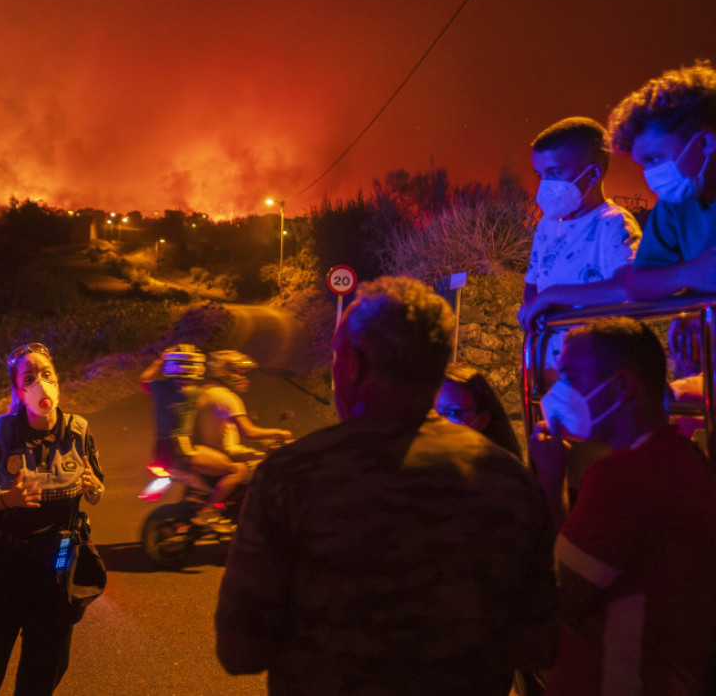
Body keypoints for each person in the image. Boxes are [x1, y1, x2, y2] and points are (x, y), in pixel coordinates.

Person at [216, 276, 558, 694]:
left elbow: (240, 651)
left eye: (337, 355)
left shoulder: (292, 476)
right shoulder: (506, 480)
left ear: (353, 366)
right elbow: (539, 644)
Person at [530, 317, 716, 694]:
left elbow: (557, 597)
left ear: (622, 387)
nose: (558, 394)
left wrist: (550, 480)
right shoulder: (680, 457)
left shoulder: (623, 478)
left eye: (571, 379)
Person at [0, 341, 104, 696]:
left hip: (58, 568)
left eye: (46, 374)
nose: (40, 384)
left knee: (42, 673)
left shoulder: (79, 431)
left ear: (58, 380)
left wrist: (94, 487)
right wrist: (7, 500)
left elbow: (96, 493)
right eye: (30, 378)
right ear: (18, 391)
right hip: (2, 568)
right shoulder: (0, 432)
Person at [518, 117, 641, 370]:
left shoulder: (613, 223)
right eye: (541, 175)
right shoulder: (546, 225)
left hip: (598, 367)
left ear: (593, 174)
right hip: (548, 365)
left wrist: (551, 297)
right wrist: (534, 307)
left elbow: (629, 287)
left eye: (555, 173)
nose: (545, 184)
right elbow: (532, 285)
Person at [605, 61, 716, 299]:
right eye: (643, 165)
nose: (649, 175)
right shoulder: (676, 204)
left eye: (655, 159)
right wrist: (689, 275)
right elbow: (637, 283)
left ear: (704, 143)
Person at [140, 345, 247, 530]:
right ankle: (208, 512)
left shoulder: (160, 388)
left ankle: (200, 505)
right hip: (183, 449)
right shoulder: (193, 392)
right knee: (236, 470)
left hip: (161, 450)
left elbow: (144, 380)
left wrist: (160, 360)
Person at [191, 350, 292, 527]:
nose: (244, 378)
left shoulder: (201, 393)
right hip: (224, 453)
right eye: (240, 372)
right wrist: (279, 433)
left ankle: (233, 508)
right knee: (270, 466)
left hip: (205, 452)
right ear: (225, 372)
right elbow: (249, 432)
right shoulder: (228, 397)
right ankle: (245, 513)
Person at [435, 363, 524, 462]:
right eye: (432, 412)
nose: (437, 421)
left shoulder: (500, 469)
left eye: (453, 412)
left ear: (482, 419)